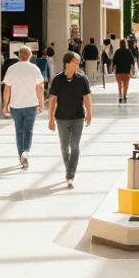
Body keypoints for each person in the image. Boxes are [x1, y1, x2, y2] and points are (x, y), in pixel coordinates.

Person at [47, 52, 92, 189]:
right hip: (62, 118)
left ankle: (70, 174)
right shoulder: (57, 79)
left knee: (75, 145)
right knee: (64, 146)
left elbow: (87, 97)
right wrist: (50, 118)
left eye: (79, 62)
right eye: (75, 62)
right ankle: (69, 170)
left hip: (78, 117)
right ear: (67, 63)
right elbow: (53, 100)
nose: (78, 64)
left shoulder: (82, 79)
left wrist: (89, 113)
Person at [1, 47, 45, 170]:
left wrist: (5, 104)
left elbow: (7, 89)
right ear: (30, 55)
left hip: (15, 106)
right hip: (31, 105)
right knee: (28, 130)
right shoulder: (34, 69)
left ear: (19, 55)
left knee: (19, 131)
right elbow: (40, 88)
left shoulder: (11, 69)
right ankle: (26, 152)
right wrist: (41, 104)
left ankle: (21, 154)